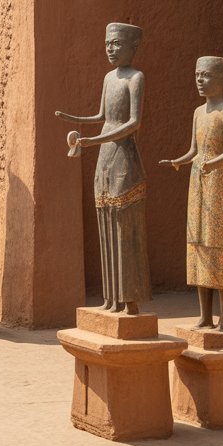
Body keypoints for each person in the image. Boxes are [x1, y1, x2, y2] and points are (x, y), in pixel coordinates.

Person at [56, 23, 151, 314]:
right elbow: (102, 115)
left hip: (124, 156)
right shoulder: (109, 77)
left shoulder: (135, 78)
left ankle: (129, 300)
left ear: (133, 46)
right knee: (105, 221)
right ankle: (111, 298)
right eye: (108, 43)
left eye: (117, 43)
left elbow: (133, 123)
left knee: (124, 225)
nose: (110, 48)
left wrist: (94, 140)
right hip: (106, 154)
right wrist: (73, 118)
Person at [160, 56, 223, 331]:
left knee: (220, 245)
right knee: (198, 245)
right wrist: (178, 161)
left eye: (205, 75)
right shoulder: (198, 112)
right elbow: (194, 150)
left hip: (219, 182)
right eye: (197, 75)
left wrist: (211, 163)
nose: (200, 80)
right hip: (198, 180)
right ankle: (205, 317)